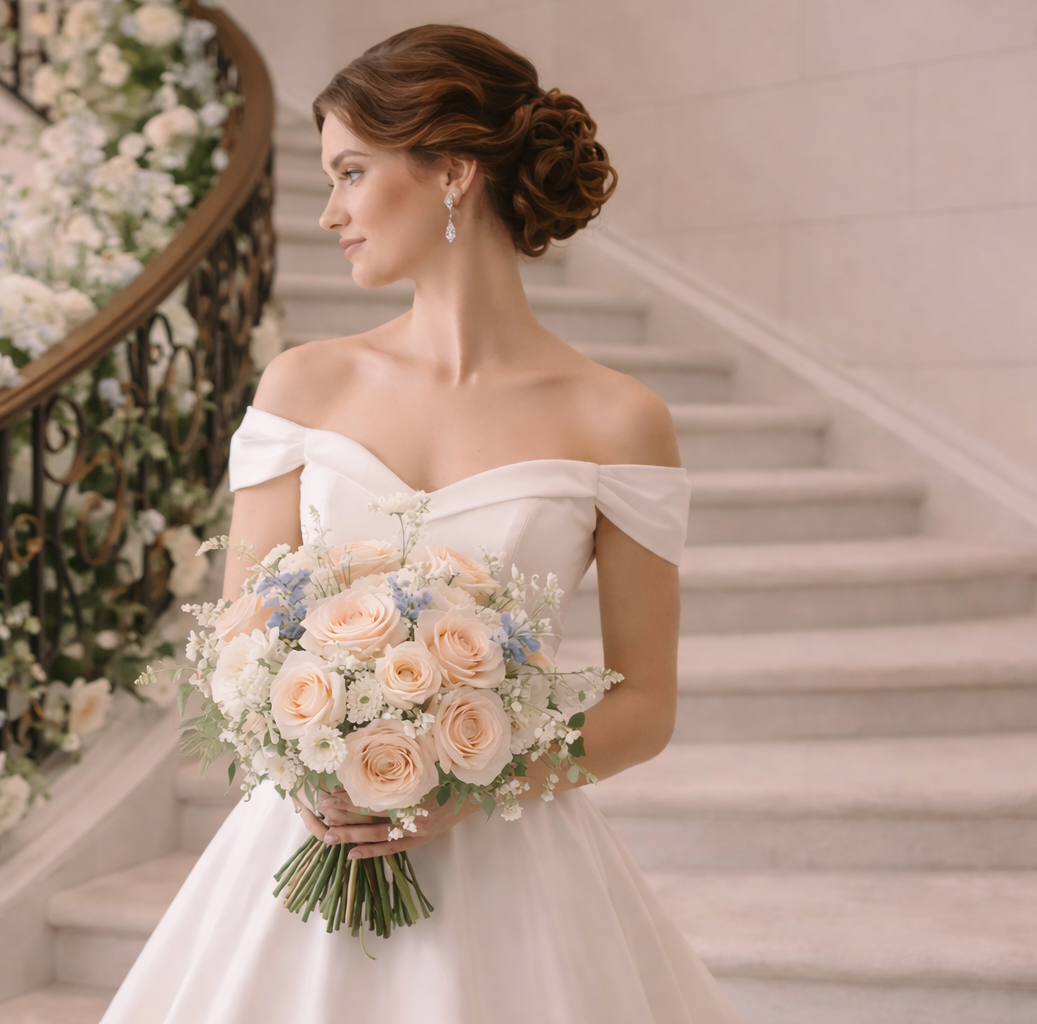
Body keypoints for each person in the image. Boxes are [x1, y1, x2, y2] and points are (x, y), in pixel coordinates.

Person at [102, 24, 743, 1023]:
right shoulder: (304, 385)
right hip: (308, 838)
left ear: (451, 170)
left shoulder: (619, 419)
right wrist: (308, 744)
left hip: (508, 864)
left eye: (352, 173)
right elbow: (238, 638)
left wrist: (475, 779)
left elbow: (645, 705)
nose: (331, 212)